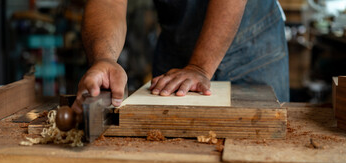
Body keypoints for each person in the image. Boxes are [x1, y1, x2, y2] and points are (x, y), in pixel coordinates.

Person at [72, 0, 289, 115]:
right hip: (177, 48)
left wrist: (200, 67)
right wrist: (104, 59)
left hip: (250, 46)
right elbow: (109, 2)